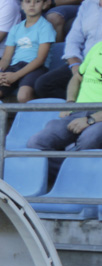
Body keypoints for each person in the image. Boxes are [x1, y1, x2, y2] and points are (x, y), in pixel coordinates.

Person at [27, 40, 102, 177]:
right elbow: (77, 78)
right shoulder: (98, 46)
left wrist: (91, 119)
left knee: (89, 140)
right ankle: (71, 174)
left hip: (98, 117)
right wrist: (70, 102)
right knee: (36, 143)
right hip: (78, 111)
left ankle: (70, 175)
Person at [0, 0, 55, 102]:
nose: (32, 5)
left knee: (23, 96)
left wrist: (16, 75)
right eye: (28, 2)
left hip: (35, 67)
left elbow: (40, 59)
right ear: (22, 5)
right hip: (15, 67)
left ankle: (36, 116)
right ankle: (2, 117)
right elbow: (6, 58)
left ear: (44, 5)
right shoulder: (15, 28)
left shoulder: (46, 27)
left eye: (37, 1)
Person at [34, 0, 100, 100]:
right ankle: (81, 106)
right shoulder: (88, 4)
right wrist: (74, 64)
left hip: (99, 64)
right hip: (84, 62)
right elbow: (73, 38)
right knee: (44, 85)